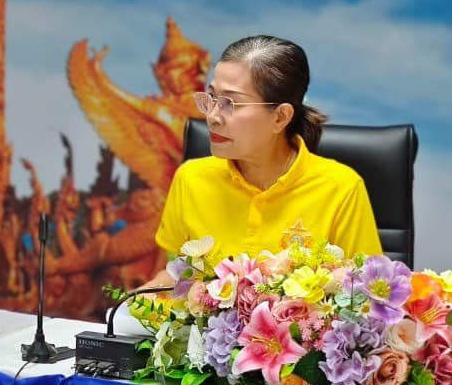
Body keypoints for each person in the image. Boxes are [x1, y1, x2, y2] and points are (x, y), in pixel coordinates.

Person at [143, 34, 381, 289]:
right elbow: (175, 276)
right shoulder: (191, 178)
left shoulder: (341, 188)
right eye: (211, 98)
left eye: (230, 103)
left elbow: (364, 291)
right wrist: (132, 303)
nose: (212, 116)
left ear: (280, 117)